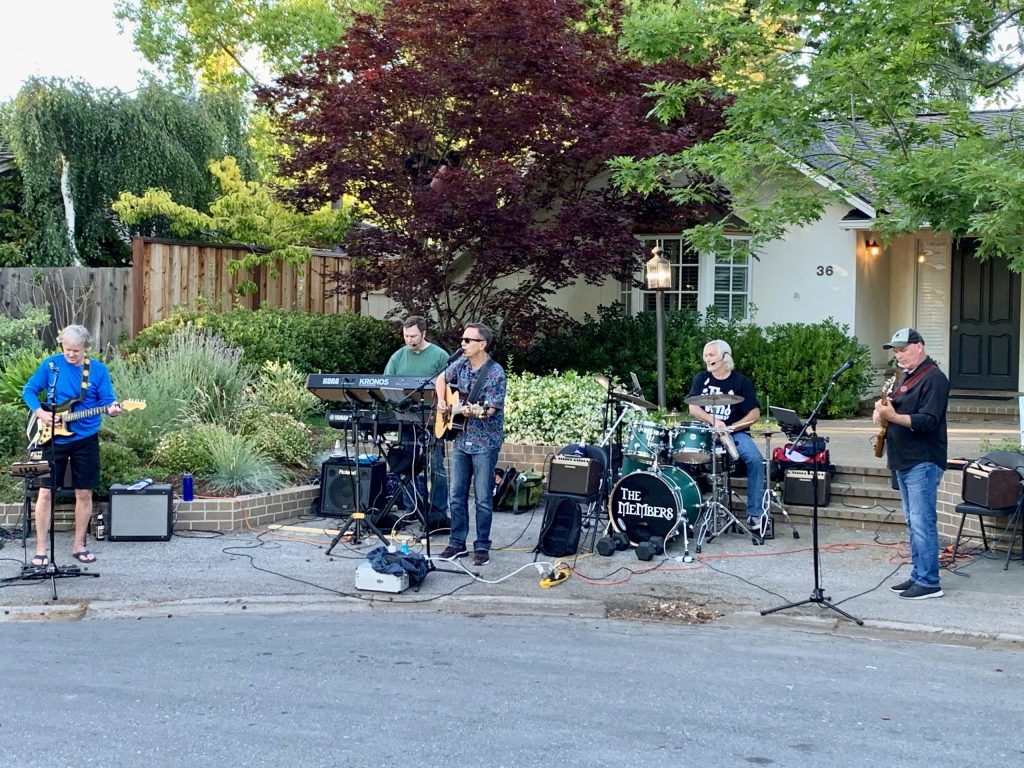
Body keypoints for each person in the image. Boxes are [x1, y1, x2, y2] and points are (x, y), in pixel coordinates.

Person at [22, 325, 121, 566]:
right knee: (45, 493)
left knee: (84, 492)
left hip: (85, 439)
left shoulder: (97, 371)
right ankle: (41, 549)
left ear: (85, 348)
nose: (71, 355)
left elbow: (108, 401)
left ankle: (79, 545)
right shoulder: (51, 366)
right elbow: (29, 391)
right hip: (52, 439)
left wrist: (113, 409)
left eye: (76, 350)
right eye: (67, 350)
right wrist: (41, 413)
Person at [873, 327, 949, 600]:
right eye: (895, 351)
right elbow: (894, 410)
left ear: (919, 346)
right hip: (903, 457)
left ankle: (929, 582)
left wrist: (892, 417)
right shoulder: (906, 377)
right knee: (911, 520)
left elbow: (928, 420)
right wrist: (881, 413)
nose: (898, 356)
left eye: (903, 350)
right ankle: (919, 574)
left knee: (922, 522)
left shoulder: (935, 379)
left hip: (923, 459)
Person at [434, 323, 506, 566]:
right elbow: (440, 379)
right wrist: (441, 403)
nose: (462, 343)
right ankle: (456, 543)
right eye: (462, 339)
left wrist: (474, 411)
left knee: (483, 497)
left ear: (482, 344)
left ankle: (482, 546)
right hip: (461, 439)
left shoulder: (495, 373)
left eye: (468, 340)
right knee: (456, 495)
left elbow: (490, 409)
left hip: (485, 442)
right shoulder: (461, 364)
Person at [687, 339, 765, 529]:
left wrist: (732, 428)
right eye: (705, 355)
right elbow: (693, 408)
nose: (707, 358)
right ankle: (685, 511)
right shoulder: (701, 379)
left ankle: (755, 514)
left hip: (734, 434)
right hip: (707, 433)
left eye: (711, 355)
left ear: (724, 357)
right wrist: (714, 422)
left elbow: (754, 414)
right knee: (681, 457)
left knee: (756, 460)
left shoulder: (741, 382)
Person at [383, 315, 451, 525]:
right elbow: (387, 384)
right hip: (406, 420)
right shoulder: (398, 356)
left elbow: (451, 386)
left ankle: (438, 511)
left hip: (432, 419)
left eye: (413, 336)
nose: (409, 340)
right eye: (406, 336)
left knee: (436, 466)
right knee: (407, 464)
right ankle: (411, 507)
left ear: (423, 333)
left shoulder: (440, 355)